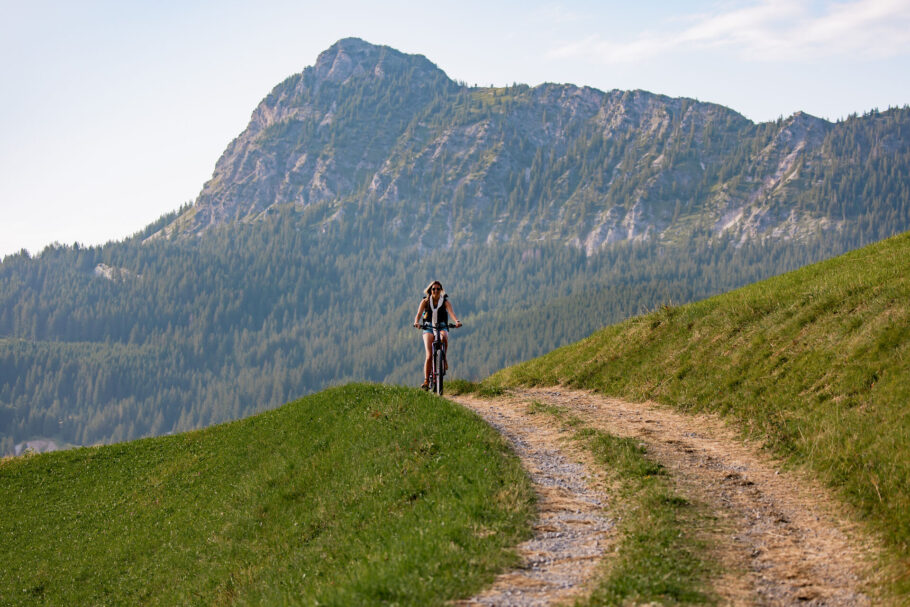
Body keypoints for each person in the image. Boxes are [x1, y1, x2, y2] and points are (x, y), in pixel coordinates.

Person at [413, 280, 462, 390]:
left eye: (438, 289)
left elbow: (452, 313)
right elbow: (419, 314)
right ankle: (426, 380)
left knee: (444, 337)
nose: (435, 291)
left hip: (442, 325)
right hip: (428, 327)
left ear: (441, 290)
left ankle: (443, 358)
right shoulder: (425, 301)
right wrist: (416, 322)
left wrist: (457, 321)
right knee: (429, 355)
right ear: (430, 290)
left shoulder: (445, 302)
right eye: (433, 289)